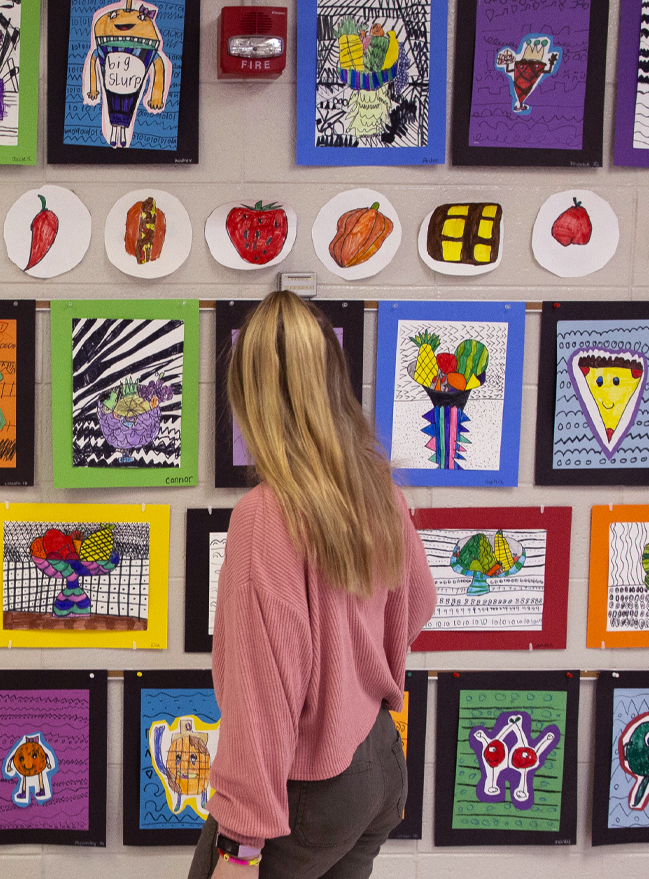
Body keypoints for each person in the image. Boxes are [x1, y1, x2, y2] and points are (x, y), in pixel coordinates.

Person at [190, 291, 434, 879]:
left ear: (249, 394)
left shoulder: (263, 516)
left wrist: (242, 846)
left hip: (307, 791)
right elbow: (420, 601)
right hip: (377, 764)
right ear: (332, 380)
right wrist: (354, 669)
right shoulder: (377, 487)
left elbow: (261, 694)